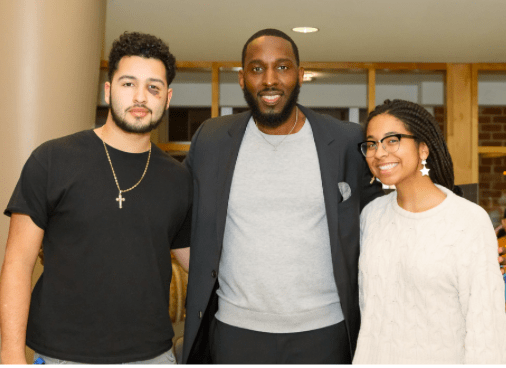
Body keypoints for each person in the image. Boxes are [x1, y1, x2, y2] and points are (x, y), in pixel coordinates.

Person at [182, 28, 383, 364]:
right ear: (242, 79)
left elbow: (381, 217)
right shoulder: (212, 139)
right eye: (257, 68)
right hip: (234, 333)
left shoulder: (347, 140)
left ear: (300, 75)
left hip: (327, 333)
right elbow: (178, 213)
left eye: (283, 67)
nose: (270, 80)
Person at [0, 32, 192, 364]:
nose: (141, 97)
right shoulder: (52, 159)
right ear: (108, 90)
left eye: (153, 87)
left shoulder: (178, 179)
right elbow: (18, 263)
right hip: (63, 356)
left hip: (153, 357)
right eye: (128, 84)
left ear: (167, 98)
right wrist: (10, 355)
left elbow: (201, 264)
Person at [354, 99, 506, 364]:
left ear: (423, 148)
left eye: (392, 140)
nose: (379, 152)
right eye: (372, 143)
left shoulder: (468, 221)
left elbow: (487, 330)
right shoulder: (371, 216)